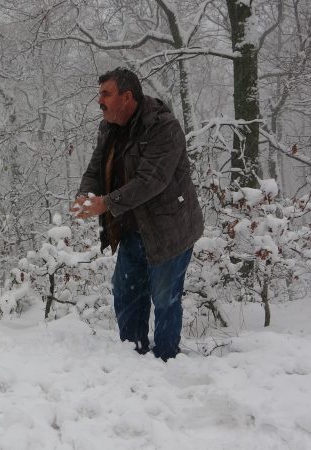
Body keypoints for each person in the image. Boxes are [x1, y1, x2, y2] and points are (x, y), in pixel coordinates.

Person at [71, 67, 204, 361]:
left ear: (127, 96)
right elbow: (96, 168)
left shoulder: (163, 128)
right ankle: (133, 357)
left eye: (106, 94)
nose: (99, 101)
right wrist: (86, 195)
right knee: (126, 293)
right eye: (100, 94)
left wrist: (106, 203)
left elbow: (151, 181)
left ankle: (168, 362)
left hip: (171, 229)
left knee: (165, 299)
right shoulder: (109, 127)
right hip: (132, 226)